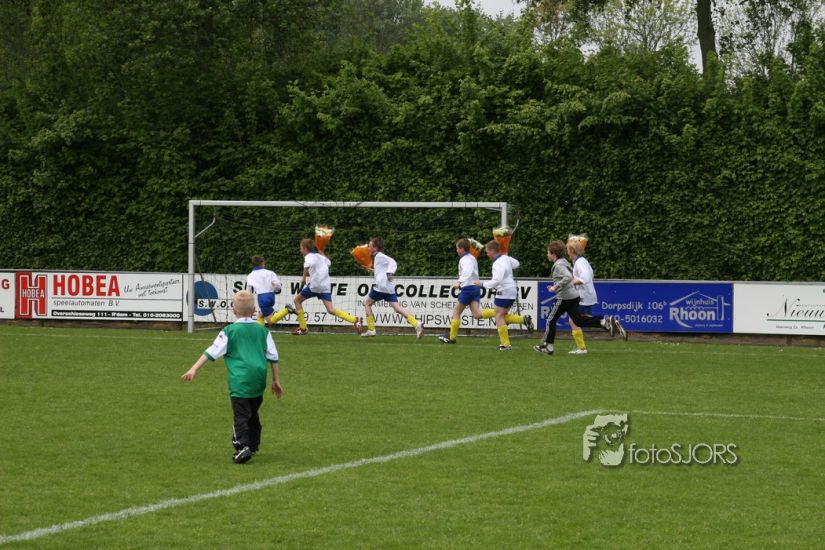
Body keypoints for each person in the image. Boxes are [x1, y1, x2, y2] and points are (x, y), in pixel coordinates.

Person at [181, 289, 283, 464]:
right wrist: (275, 380)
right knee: (252, 412)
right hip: (259, 380)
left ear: (233, 310)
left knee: (241, 416)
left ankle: (242, 446)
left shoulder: (229, 331)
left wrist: (194, 368)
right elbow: (273, 357)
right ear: (254, 310)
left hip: (240, 380)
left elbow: (211, 351)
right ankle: (253, 444)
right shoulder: (263, 331)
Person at [534, 240, 625, 356]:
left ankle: (548, 346)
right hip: (574, 296)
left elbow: (568, 277)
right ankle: (603, 322)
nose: (547, 255)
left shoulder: (559, 265)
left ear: (553, 254)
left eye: (548, 252)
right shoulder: (565, 262)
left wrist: (555, 287)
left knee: (550, 320)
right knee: (578, 320)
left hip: (565, 297)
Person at [291, 238, 363, 335]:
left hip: (315, 286)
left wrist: (303, 278)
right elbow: (329, 263)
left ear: (305, 248)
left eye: (301, 248)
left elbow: (307, 264)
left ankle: (303, 328)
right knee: (331, 310)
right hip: (325, 286)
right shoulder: (320, 256)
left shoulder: (309, 256)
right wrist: (322, 253)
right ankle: (355, 320)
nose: (300, 250)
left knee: (297, 301)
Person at [473, 240, 534, 351]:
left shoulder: (497, 263)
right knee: (502, 315)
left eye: (487, 252)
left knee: (499, 316)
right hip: (511, 290)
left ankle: (505, 344)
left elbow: (497, 280)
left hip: (504, 291)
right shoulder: (505, 258)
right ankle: (523, 319)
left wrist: (481, 284)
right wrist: (506, 255)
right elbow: (517, 264)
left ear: (492, 250)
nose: (487, 254)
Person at [360, 237, 424, 339]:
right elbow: (381, 270)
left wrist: (389, 273)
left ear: (375, 248)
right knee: (397, 308)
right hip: (388, 288)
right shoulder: (379, 257)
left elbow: (392, 261)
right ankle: (416, 323)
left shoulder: (379, 256)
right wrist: (373, 270)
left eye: (370, 246)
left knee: (366, 303)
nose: (368, 248)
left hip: (381, 287)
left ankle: (371, 330)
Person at [438, 238, 490, 344]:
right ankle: (498, 313)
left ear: (462, 249)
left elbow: (467, 272)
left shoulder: (464, 260)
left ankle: (452, 338)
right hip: (475, 288)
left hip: (468, 289)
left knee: (456, 311)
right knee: (477, 314)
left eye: (457, 248)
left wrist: (459, 282)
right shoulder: (472, 257)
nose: (456, 250)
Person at [246, 255, 295, 326]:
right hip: (271, 296)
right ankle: (261, 332)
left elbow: (248, 292)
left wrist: (249, 303)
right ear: (262, 263)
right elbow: (278, 286)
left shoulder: (250, 276)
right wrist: (275, 288)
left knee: (271, 321)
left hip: (262, 298)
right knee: (261, 315)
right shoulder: (270, 273)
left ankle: (287, 310)